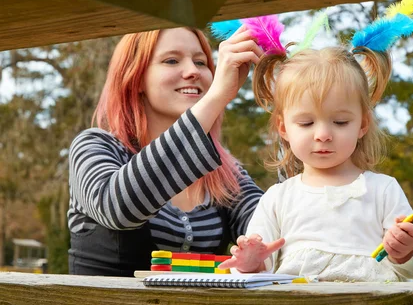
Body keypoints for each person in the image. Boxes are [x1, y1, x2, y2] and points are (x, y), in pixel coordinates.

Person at [217, 2, 413, 281]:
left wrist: (407, 248)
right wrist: (250, 262)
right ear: (283, 127)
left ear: (363, 125)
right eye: (307, 123)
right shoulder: (278, 198)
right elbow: (262, 268)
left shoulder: (383, 190)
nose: (323, 134)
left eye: (340, 122)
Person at [68, 26, 265, 277]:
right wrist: (215, 99)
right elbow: (119, 208)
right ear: (136, 77)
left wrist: (291, 102)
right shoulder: (94, 146)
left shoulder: (227, 170)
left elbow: (271, 227)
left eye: (201, 62)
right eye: (171, 60)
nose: (193, 71)